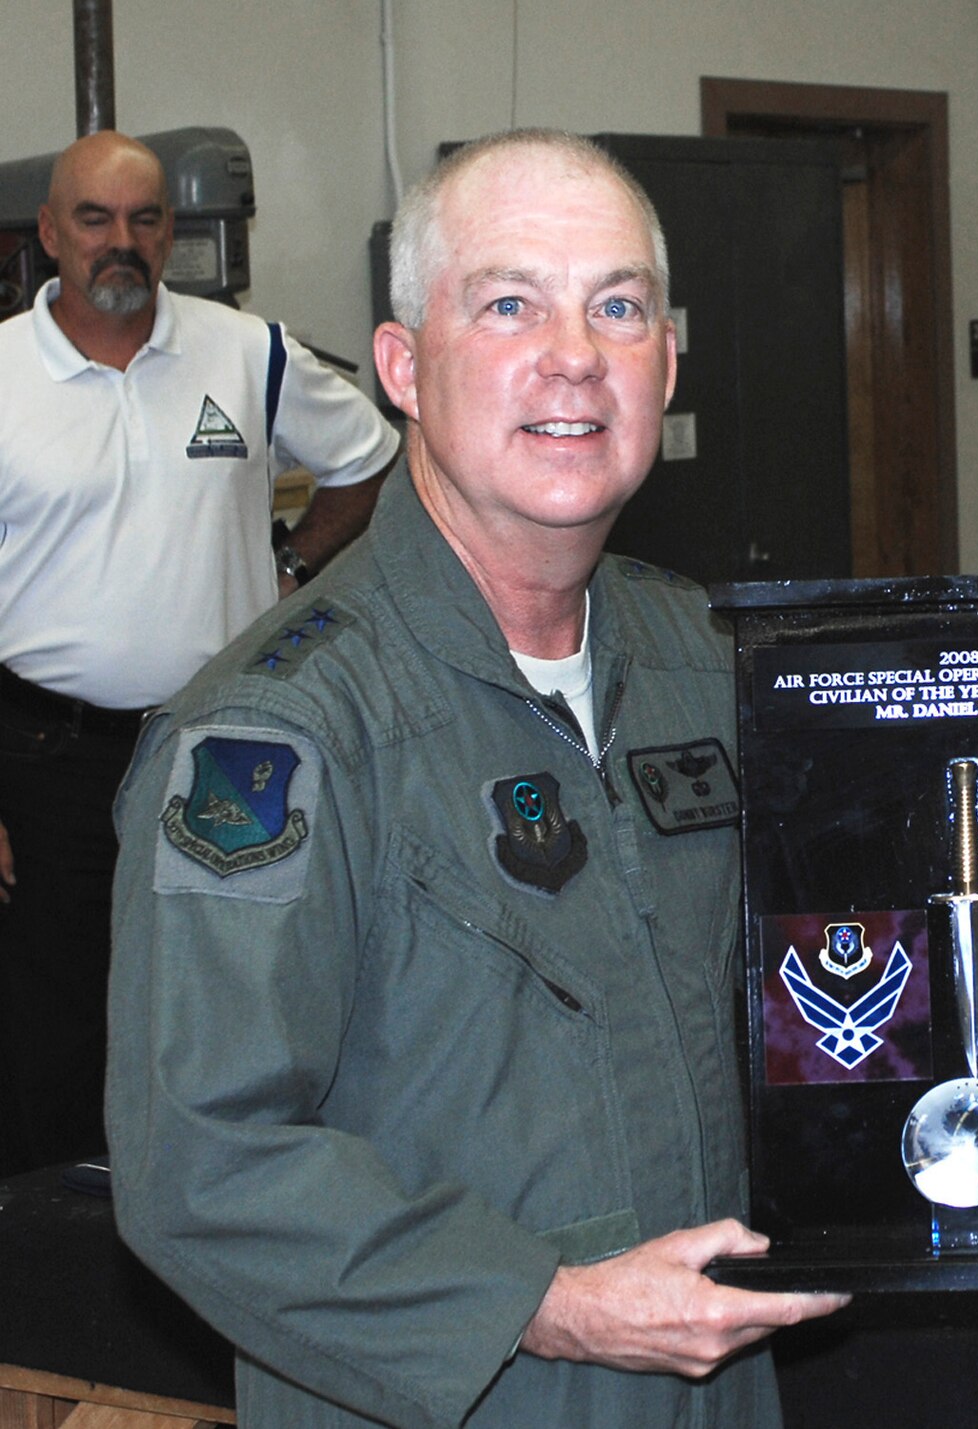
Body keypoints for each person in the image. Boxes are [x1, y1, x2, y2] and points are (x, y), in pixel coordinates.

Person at [106, 130, 847, 1427]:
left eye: (618, 306)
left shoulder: (714, 662)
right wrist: (546, 1301)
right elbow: (200, 1166)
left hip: (716, 1388)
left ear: (667, 360)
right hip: (458, 1394)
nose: (575, 352)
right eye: (509, 304)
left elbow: (849, 954)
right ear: (401, 367)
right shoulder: (272, 734)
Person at [0, 130, 397, 1175]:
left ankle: (217, 1205)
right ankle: (57, 1252)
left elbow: (370, 459)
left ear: (170, 232)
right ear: (48, 234)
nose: (120, 242)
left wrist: (294, 567)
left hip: (220, 745)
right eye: (94, 219)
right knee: (57, 1003)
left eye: (144, 219)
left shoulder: (247, 353)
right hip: (47, 752)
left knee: (229, 980)